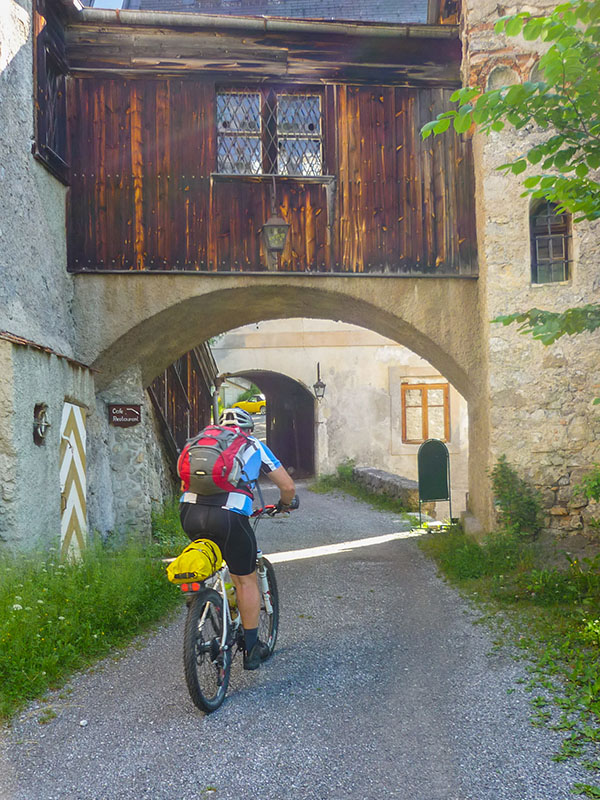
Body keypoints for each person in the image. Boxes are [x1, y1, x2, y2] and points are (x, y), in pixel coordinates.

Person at [179, 407, 296, 670]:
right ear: (249, 429)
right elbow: (287, 486)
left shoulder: (201, 441)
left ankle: (201, 601)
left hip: (189, 513)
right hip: (230, 517)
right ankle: (252, 649)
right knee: (244, 580)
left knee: (207, 556)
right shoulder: (253, 444)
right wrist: (285, 504)